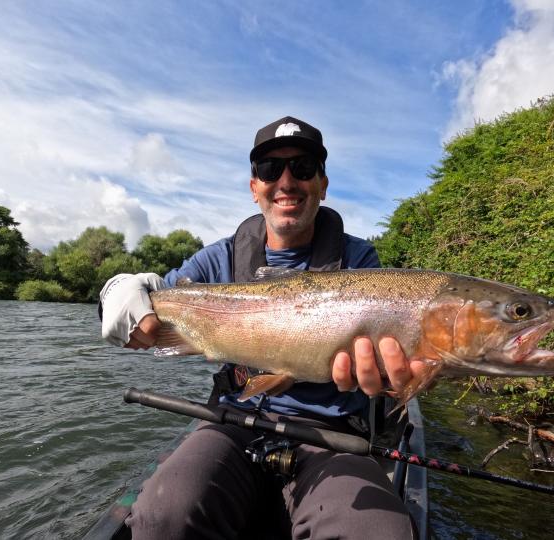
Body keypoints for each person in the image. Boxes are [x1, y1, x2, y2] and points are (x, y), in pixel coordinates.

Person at [99, 116, 424, 539]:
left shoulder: (360, 261)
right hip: (231, 421)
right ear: (255, 188)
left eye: (303, 168)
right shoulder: (218, 259)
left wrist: (388, 382)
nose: (286, 181)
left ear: (323, 184)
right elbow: (152, 298)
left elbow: (385, 356)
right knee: (164, 512)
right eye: (270, 169)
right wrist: (116, 289)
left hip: (332, 436)